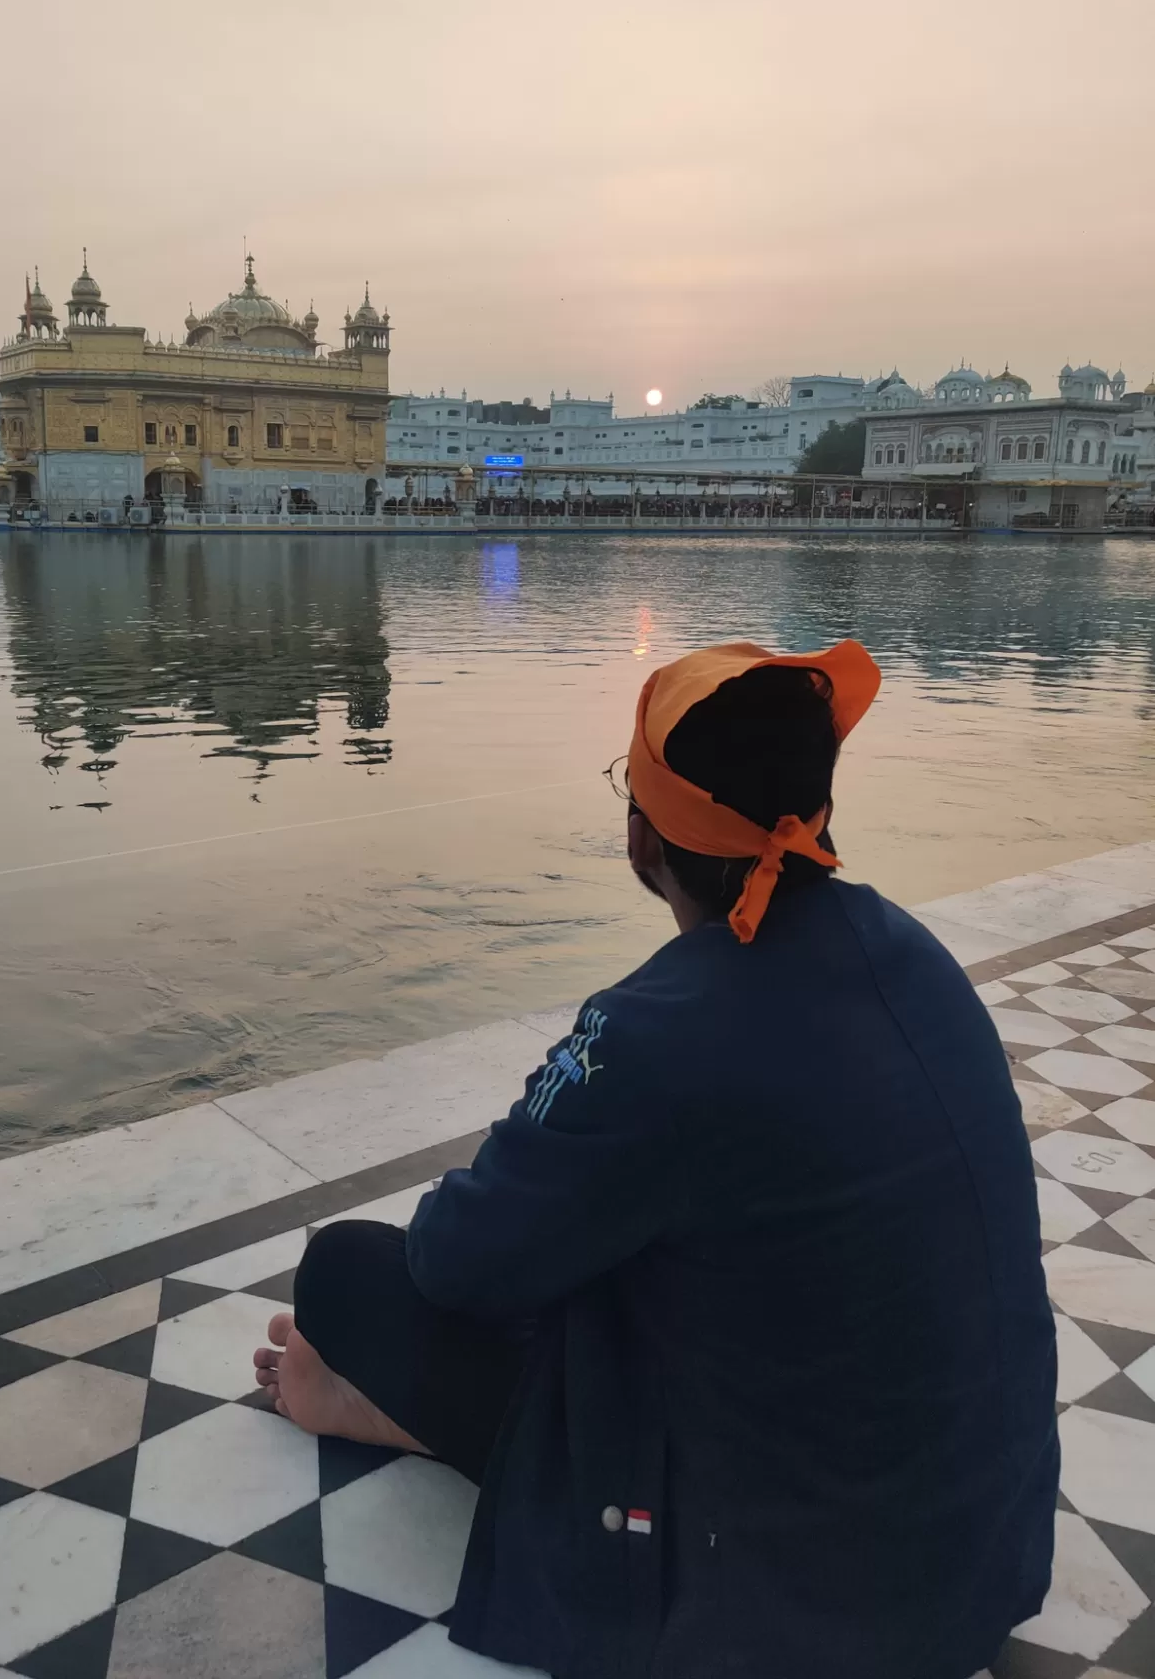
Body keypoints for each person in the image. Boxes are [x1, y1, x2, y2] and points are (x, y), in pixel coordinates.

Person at [255, 639, 1058, 1679]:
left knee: (347, 1273)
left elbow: (452, 1263)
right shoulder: (915, 953)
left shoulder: (660, 1027)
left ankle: (370, 1410)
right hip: (980, 1561)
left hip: (798, 1613)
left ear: (643, 839)